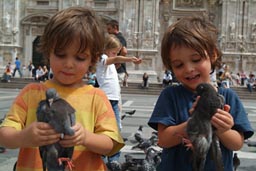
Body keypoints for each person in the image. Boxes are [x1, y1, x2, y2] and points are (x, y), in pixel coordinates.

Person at [0, 6, 124, 171]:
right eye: (60, 55)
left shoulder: (97, 97)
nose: (69, 64)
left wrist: (85, 137)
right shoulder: (31, 93)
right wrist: (24, 137)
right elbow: (4, 136)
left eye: (80, 58)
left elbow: (109, 144)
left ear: (93, 59)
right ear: (48, 52)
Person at [148, 16, 254, 171]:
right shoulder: (170, 95)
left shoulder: (228, 97)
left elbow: (237, 143)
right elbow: (163, 140)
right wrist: (196, 122)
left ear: (213, 55)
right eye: (179, 65)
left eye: (196, 60)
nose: (189, 69)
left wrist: (223, 129)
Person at [96, 34, 141, 167]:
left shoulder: (107, 62)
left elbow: (110, 67)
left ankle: (112, 157)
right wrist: (128, 59)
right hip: (107, 98)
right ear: (106, 49)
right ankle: (106, 156)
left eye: (116, 52)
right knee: (108, 129)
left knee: (116, 128)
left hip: (113, 98)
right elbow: (113, 59)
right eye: (114, 52)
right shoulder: (102, 58)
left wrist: (117, 65)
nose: (115, 55)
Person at [106, 19, 129, 87]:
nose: (108, 31)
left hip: (118, 70)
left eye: (109, 29)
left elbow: (124, 51)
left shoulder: (119, 38)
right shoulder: (118, 37)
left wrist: (117, 64)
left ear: (115, 28)